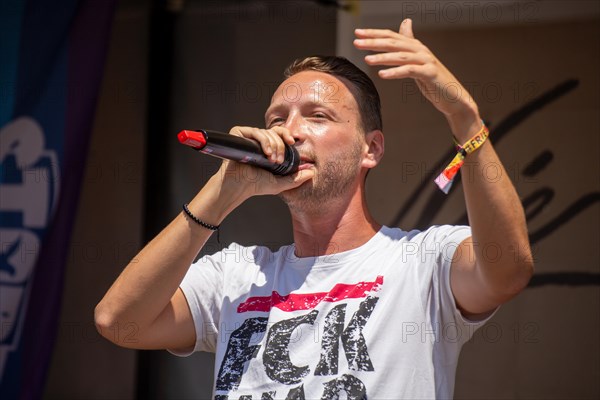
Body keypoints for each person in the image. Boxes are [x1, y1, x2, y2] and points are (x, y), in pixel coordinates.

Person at [95, 19, 533, 399]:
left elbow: (507, 270)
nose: (292, 132)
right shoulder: (236, 275)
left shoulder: (422, 262)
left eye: (317, 116)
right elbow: (119, 321)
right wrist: (223, 190)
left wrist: (465, 119)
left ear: (371, 149)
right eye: (276, 120)